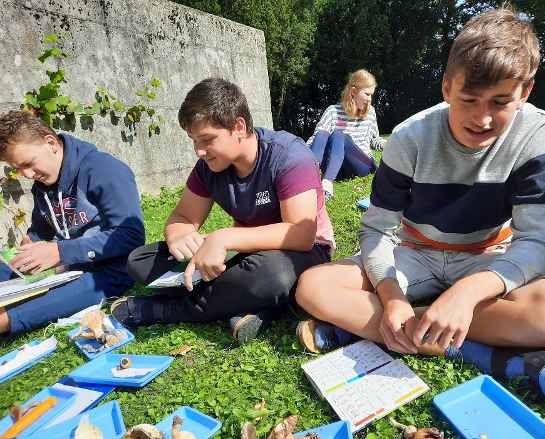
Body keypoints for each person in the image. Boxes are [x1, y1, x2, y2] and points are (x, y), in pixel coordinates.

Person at [295, 8, 545, 407]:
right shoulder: (410, 137)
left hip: (488, 258)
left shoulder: (539, 132)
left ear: (525, 91)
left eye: (500, 101)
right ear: (446, 87)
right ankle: (487, 354)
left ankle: (370, 327)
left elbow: (539, 241)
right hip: (415, 254)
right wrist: (391, 297)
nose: (482, 118)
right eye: (468, 99)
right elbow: (377, 230)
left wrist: (466, 295)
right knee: (314, 286)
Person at [111, 78, 334, 344]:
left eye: (207, 139)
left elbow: (301, 233)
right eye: (194, 141)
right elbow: (182, 217)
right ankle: (254, 304)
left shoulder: (288, 156)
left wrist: (223, 238)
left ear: (238, 126)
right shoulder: (209, 167)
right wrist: (180, 236)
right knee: (141, 261)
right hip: (248, 251)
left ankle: (167, 309)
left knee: (273, 275)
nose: (200, 151)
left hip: (304, 252)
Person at [0, 110, 145, 335]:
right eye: (18, 169)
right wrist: (31, 244)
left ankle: (6, 322)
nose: (27, 175)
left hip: (112, 270)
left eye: (28, 164)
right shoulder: (43, 183)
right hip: (70, 268)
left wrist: (60, 252)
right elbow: (42, 230)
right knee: (6, 266)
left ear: (51, 143)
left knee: (62, 297)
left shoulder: (104, 169)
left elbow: (131, 235)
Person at [306, 69, 386, 200]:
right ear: (353, 91)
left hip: (362, 164)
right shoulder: (333, 111)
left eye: (371, 95)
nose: (369, 99)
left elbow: (374, 139)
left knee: (339, 135)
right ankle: (308, 180)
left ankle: (327, 184)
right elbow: (316, 139)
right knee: (322, 134)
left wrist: (384, 144)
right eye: (367, 94)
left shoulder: (370, 112)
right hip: (337, 166)